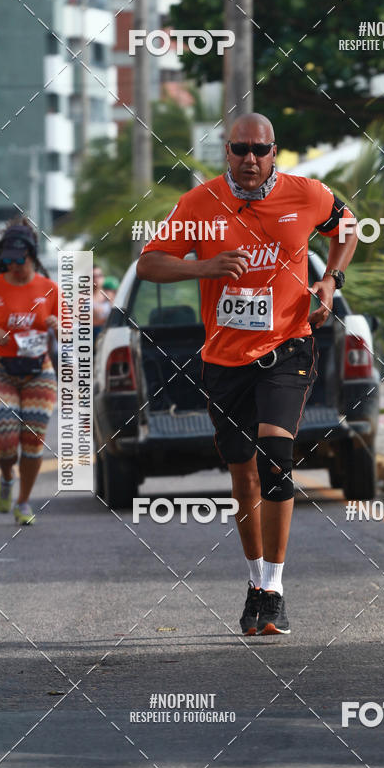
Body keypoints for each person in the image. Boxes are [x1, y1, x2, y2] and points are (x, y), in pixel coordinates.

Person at [137, 112, 358, 636]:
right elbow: (149, 263)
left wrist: (330, 280)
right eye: (240, 149)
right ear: (226, 152)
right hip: (223, 357)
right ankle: (255, 580)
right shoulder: (199, 204)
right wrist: (202, 267)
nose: (250, 160)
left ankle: (275, 589)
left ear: (274, 151)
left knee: (276, 459)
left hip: (287, 346)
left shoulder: (306, 194)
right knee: (242, 472)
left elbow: (347, 227)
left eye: (260, 150)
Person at [0, 218, 58, 525]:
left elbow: (72, 332)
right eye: (8, 260)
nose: (14, 266)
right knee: (4, 440)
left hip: (38, 371)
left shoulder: (50, 289)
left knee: (32, 441)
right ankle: (5, 478)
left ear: (32, 255)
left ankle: (24, 501)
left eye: (20, 259)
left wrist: (60, 326)